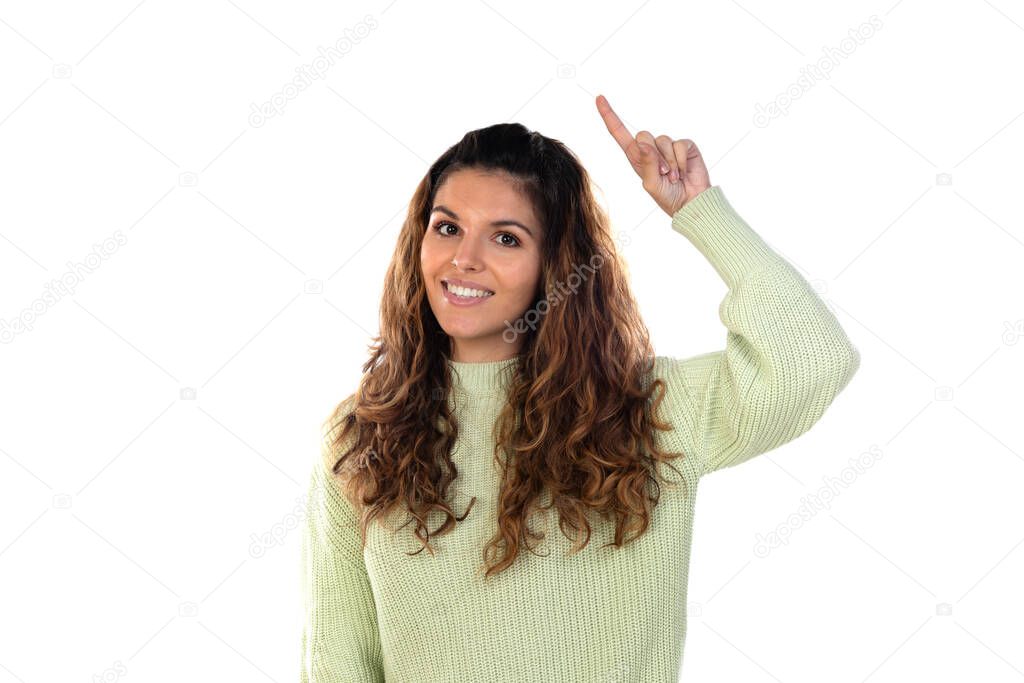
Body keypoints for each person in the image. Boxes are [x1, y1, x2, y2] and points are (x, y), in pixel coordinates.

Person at [299, 95, 860, 682]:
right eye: (447, 228)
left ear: (557, 264)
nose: (463, 259)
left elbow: (813, 359)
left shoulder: (648, 411)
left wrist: (699, 211)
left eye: (506, 238)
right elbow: (339, 661)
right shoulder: (361, 437)